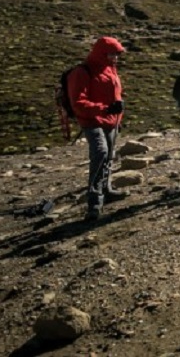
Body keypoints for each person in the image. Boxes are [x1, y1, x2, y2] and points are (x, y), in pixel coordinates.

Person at [67, 36, 127, 221]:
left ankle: (106, 190)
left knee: (109, 155)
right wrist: (105, 108)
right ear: (102, 53)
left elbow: (114, 95)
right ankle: (94, 202)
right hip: (91, 120)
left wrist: (116, 114)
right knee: (100, 153)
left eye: (117, 54)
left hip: (111, 120)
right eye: (112, 54)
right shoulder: (82, 72)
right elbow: (78, 102)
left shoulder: (110, 70)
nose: (116, 58)